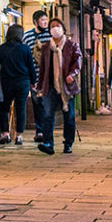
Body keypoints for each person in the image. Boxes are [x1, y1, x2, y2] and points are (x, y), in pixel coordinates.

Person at [35, 17, 82, 155]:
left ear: (63, 28)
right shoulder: (45, 47)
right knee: (48, 115)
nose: (55, 28)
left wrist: (72, 75)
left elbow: (78, 61)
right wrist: (39, 86)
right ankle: (48, 143)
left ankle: (68, 143)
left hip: (66, 87)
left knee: (69, 116)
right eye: (52, 26)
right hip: (50, 86)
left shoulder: (72, 46)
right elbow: (43, 68)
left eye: (58, 25)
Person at [0, 24, 37, 144]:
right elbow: (31, 67)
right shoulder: (25, 49)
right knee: (21, 108)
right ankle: (19, 136)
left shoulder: (2, 48)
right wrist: (33, 82)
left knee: (4, 108)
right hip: (23, 82)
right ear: (21, 35)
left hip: (6, 82)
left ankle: (5, 134)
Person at [23, 10, 52, 141]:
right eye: (42, 20)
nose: (45, 23)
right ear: (35, 22)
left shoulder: (51, 35)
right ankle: (39, 131)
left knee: (47, 104)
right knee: (37, 104)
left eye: (46, 20)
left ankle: (47, 131)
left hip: (49, 77)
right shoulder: (27, 36)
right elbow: (24, 56)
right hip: (34, 77)